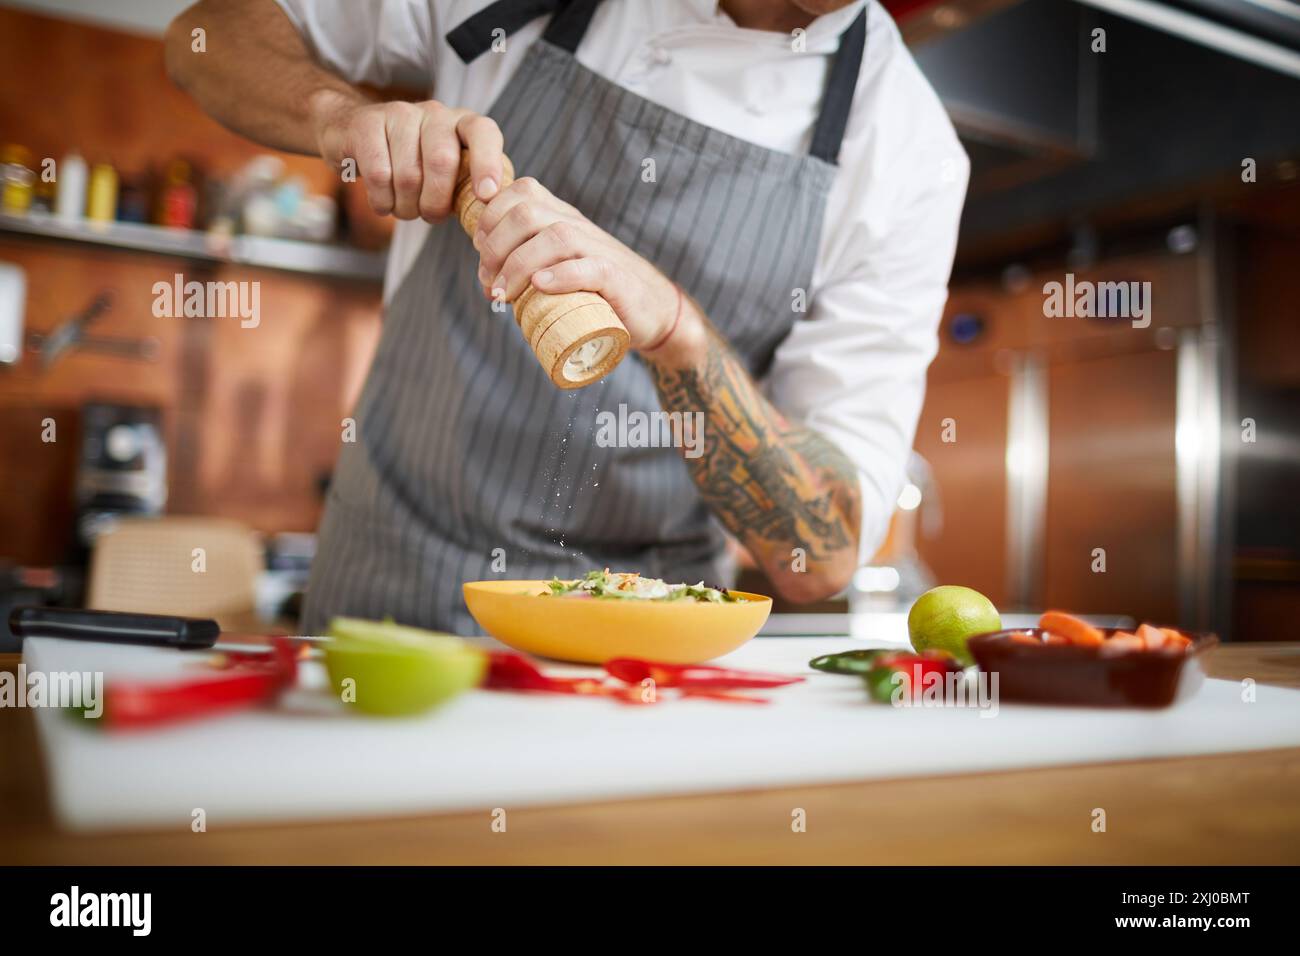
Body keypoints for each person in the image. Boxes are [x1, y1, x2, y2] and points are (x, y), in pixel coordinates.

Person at [165, 0, 968, 634]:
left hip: (640, 648)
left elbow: (816, 553)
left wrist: (674, 328)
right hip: (391, 592)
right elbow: (203, 35)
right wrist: (339, 116)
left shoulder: (905, 151)